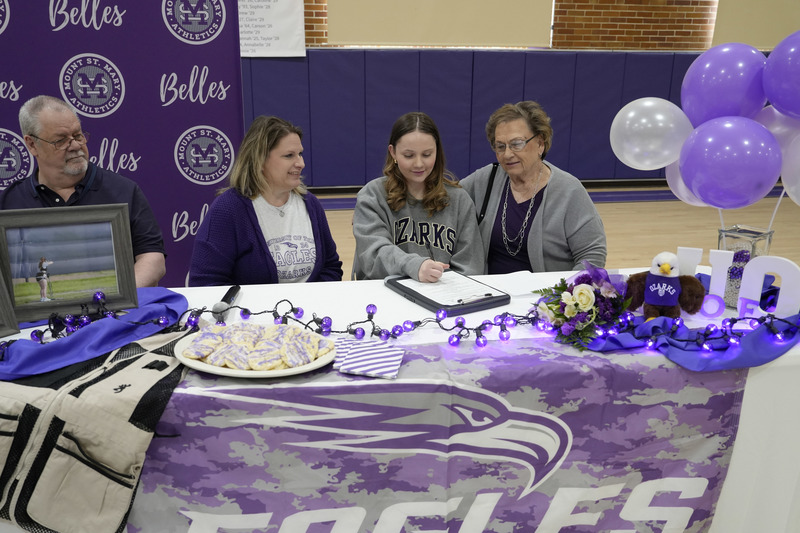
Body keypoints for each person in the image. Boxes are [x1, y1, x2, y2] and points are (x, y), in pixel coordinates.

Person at [0, 95, 166, 287]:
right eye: (61, 140)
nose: (76, 146)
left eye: (78, 135)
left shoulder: (124, 191)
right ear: (32, 144)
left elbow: (152, 259)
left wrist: (119, 298)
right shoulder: (8, 204)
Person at [189, 116, 343, 286]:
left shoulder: (311, 204)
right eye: (289, 155)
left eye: (300, 154)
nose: (301, 163)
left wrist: (309, 301)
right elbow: (205, 282)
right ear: (259, 160)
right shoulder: (228, 209)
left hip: (307, 310)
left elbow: (331, 266)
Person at [460, 101, 606, 274]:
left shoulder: (570, 191)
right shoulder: (486, 178)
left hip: (545, 297)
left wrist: (566, 294)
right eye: (500, 146)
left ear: (540, 143)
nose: (507, 154)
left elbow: (592, 254)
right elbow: (446, 198)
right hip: (490, 293)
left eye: (517, 143)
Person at [352, 111, 484, 282]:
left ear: (437, 151)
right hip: (387, 295)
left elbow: (471, 265)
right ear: (393, 153)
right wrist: (415, 266)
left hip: (444, 296)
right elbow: (373, 255)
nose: (419, 164)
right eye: (409, 155)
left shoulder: (459, 200)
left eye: (427, 154)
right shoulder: (372, 195)